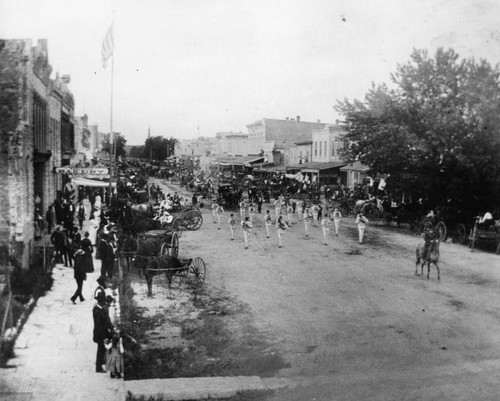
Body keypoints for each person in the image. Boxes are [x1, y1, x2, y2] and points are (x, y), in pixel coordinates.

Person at [93, 292, 114, 373]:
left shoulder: (100, 309)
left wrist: (111, 328)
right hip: (100, 333)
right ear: (100, 301)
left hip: (103, 332)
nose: (104, 303)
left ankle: (102, 362)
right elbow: (99, 326)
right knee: (100, 349)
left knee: (102, 348)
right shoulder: (97, 310)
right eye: (103, 301)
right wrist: (104, 337)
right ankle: (98, 368)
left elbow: (107, 320)